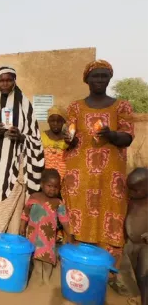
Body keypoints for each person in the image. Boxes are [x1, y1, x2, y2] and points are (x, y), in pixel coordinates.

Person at [62, 59, 134, 289]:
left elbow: (127, 137)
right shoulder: (75, 107)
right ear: (87, 80)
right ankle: (78, 269)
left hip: (110, 179)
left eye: (104, 76)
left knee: (110, 219)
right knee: (78, 216)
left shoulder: (121, 107)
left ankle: (109, 274)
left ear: (110, 78)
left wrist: (110, 134)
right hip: (80, 178)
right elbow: (70, 137)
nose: (100, 80)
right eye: (95, 76)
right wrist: (67, 138)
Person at [0, 66, 44, 278]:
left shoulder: (25, 106)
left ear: (14, 81)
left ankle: (8, 259)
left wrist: (21, 137)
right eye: (1, 80)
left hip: (15, 172)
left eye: (8, 80)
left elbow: (36, 140)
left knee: (12, 219)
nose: (4, 83)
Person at [19, 169, 72, 285]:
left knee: (47, 260)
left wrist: (70, 234)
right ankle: (38, 276)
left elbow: (64, 221)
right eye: (49, 186)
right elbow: (25, 214)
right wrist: (22, 226)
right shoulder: (33, 197)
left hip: (48, 239)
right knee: (36, 258)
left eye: (56, 187)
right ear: (42, 184)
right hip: (33, 236)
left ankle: (46, 278)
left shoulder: (58, 203)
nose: (52, 189)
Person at [124, 168, 148, 305]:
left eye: (135, 190)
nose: (131, 193)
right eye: (130, 190)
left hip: (145, 245)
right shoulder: (133, 199)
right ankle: (142, 297)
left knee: (143, 275)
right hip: (132, 244)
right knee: (136, 274)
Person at [41, 105, 72, 178]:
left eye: (59, 121)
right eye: (52, 121)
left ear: (64, 122)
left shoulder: (67, 138)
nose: (55, 124)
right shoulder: (41, 137)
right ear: (48, 121)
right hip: (46, 178)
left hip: (63, 176)